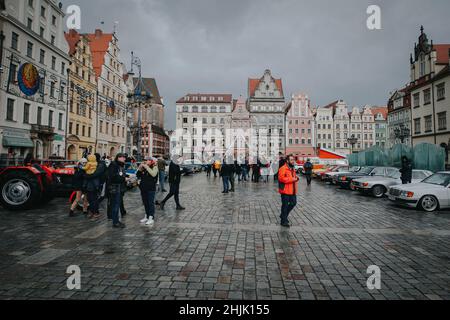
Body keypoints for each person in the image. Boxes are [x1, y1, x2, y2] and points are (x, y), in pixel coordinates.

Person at [278, 155, 299, 228]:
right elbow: (282, 179)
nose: (293, 161)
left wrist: (295, 178)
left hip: (293, 191)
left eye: (293, 160)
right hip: (285, 191)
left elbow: (293, 178)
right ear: (287, 161)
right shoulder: (283, 168)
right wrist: (294, 179)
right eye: (291, 160)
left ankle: (283, 215)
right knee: (285, 206)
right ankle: (283, 221)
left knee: (293, 203)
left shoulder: (292, 168)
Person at [107, 153, 127, 228]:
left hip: (118, 188)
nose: (124, 159)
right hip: (114, 188)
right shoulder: (114, 165)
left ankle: (116, 220)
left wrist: (125, 177)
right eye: (123, 157)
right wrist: (124, 179)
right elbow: (113, 177)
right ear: (119, 158)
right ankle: (115, 222)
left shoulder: (119, 165)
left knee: (116, 205)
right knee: (115, 205)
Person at [137, 157, 159, 226]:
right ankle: (146, 216)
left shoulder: (154, 167)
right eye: (145, 160)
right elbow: (138, 175)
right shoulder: (144, 168)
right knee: (145, 202)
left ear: (151, 161)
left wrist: (146, 167)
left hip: (151, 188)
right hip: (143, 188)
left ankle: (151, 217)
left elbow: (153, 174)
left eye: (148, 160)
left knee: (150, 203)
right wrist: (140, 169)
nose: (146, 161)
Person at [83, 154, 100, 219]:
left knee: (92, 200)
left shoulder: (92, 170)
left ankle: (94, 213)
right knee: (92, 200)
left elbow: (93, 180)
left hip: (92, 188)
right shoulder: (94, 166)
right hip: (91, 187)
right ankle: (93, 212)